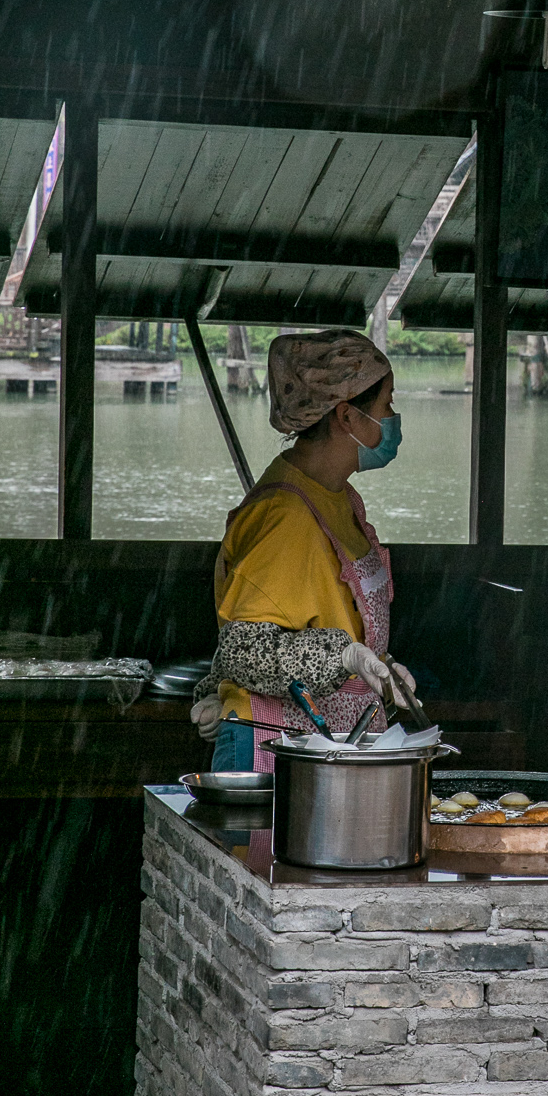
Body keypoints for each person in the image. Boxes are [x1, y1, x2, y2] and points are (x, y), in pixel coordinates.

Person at [191, 328, 417, 772]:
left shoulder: (339, 498)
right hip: (275, 744)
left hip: (332, 741)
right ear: (347, 417)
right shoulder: (284, 514)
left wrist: (380, 667)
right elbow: (243, 649)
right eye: (386, 404)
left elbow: (326, 615)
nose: (393, 417)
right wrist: (345, 656)